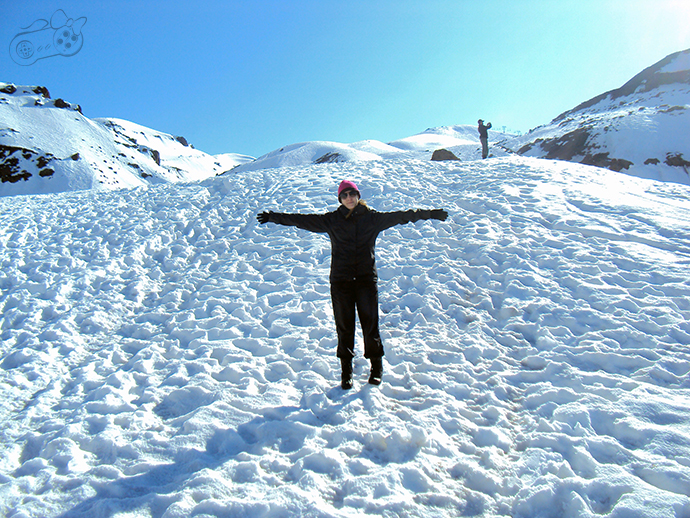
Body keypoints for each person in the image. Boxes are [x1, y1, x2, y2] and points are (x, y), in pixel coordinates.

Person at [257, 180, 448, 390]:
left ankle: (376, 368)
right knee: (344, 327)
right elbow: (302, 220)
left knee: (370, 325)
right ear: (340, 199)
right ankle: (346, 372)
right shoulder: (332, 220)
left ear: (358, 196)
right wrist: (273, 217)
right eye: (345, 195)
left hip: (366, 280)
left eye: (352, 194)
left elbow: (403, 216)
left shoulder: (372, 219)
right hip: (341, 282)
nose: (349, 198)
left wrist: (431, 214)